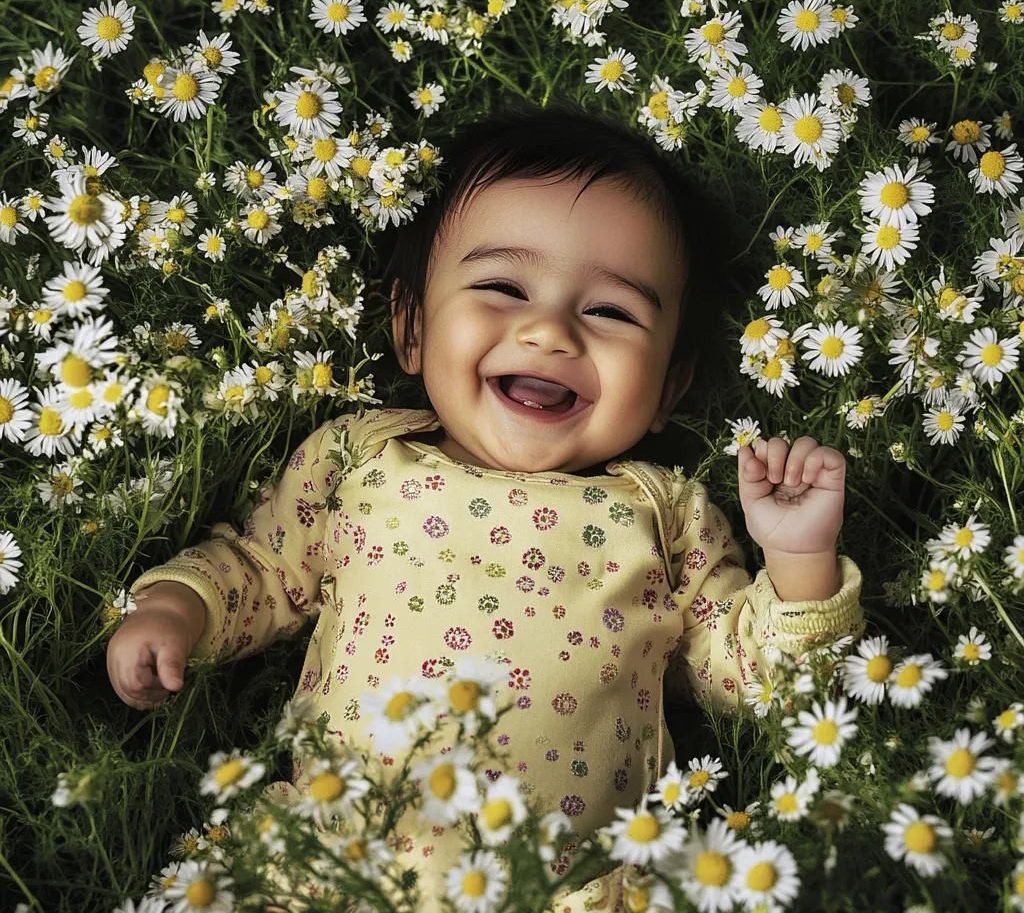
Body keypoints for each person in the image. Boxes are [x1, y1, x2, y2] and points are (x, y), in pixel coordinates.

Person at [106, 100, 865, 913]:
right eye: (503, 286)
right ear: (412, 328)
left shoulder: (664, 510)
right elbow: (263, 564)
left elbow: (747, 676)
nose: (548, 331)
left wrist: (797, 561)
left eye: (609, 311)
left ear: (667, 388)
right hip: (332, 866)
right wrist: (179, 607)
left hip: (569, 889)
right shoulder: (362, 454)